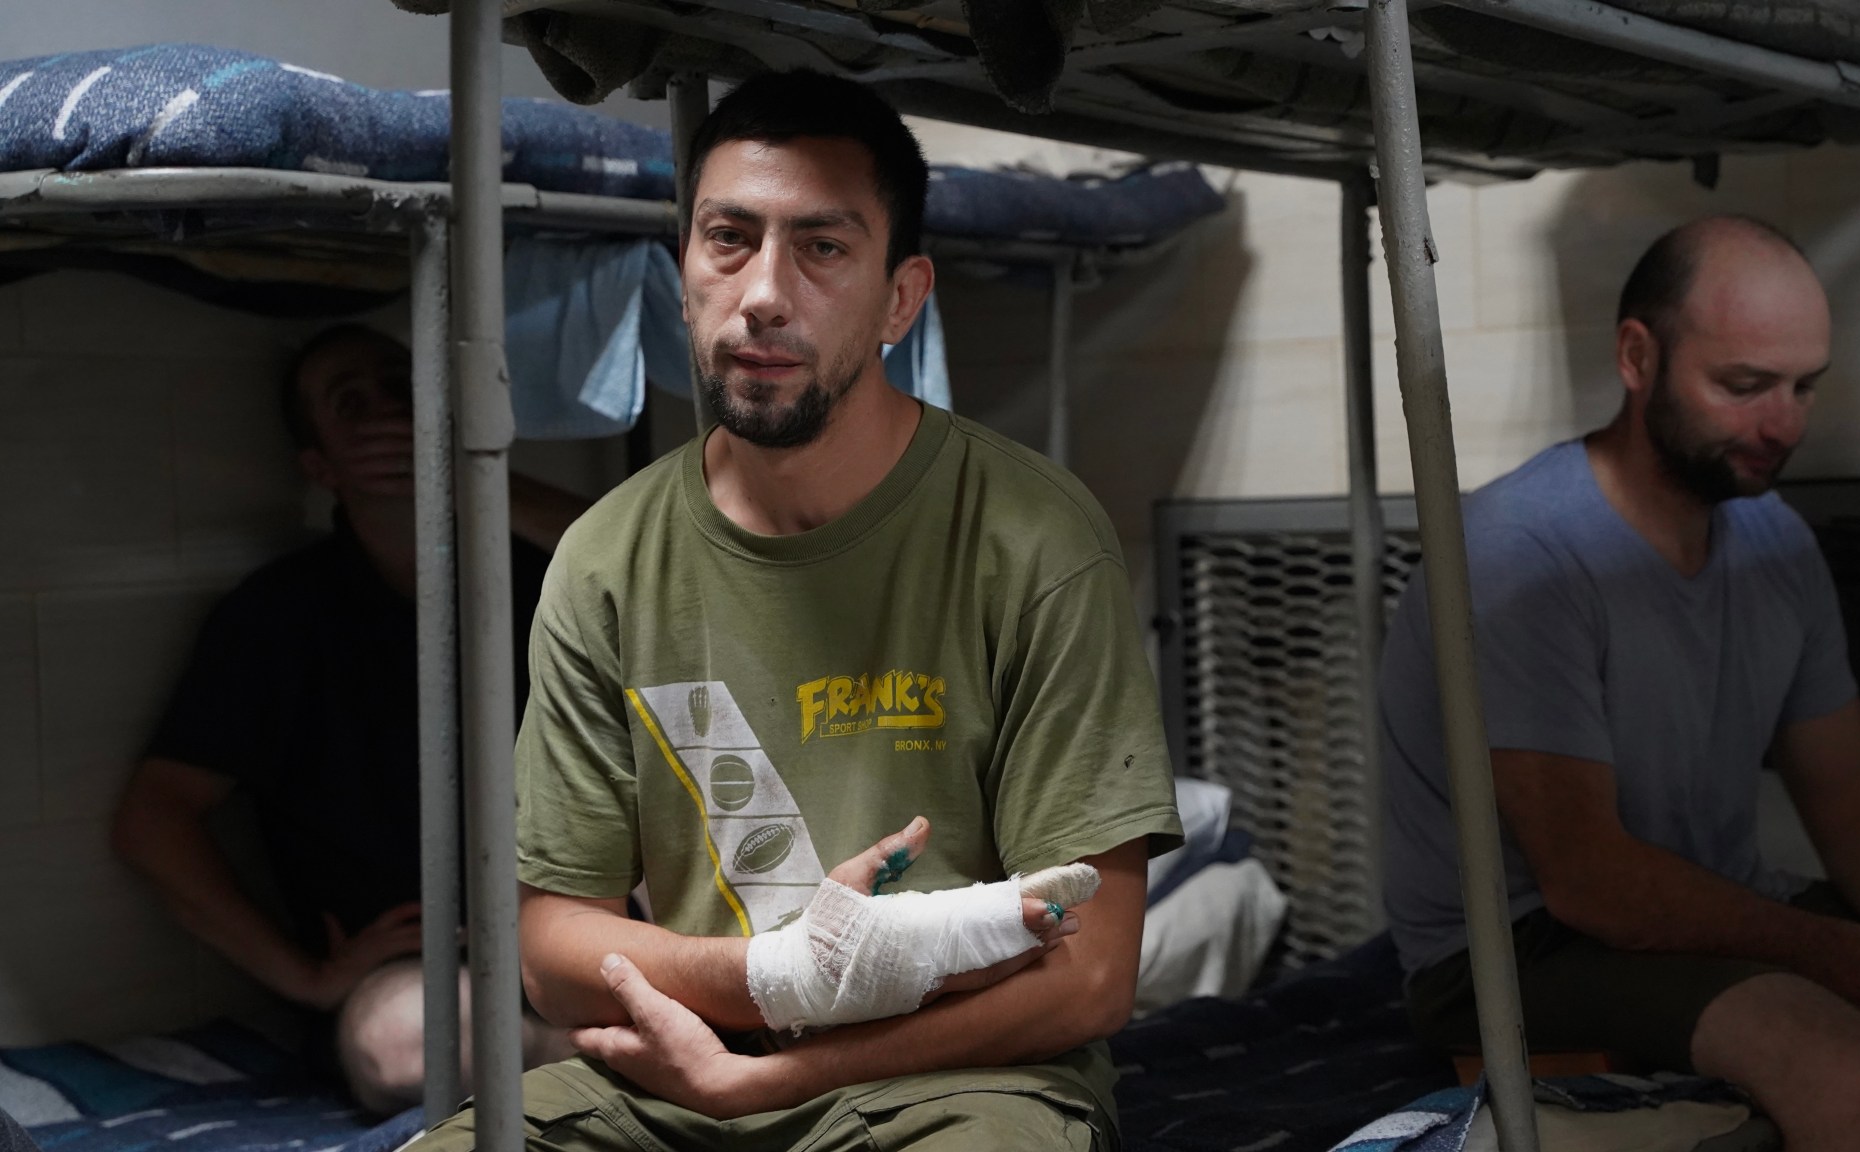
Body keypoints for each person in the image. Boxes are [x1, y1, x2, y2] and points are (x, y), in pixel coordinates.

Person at [404, 69, 1181, 1152]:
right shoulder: (605, 562)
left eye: (821, 248)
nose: (763, 291)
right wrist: (773, 981)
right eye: (728, 237)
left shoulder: (1030, 536)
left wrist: (777, 1077)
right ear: (684, 272)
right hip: (673, 1086)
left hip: (958, 1083)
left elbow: (1091, 978)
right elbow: (547, 948)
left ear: (900, 297)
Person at [1381, 215, 1860, 1152]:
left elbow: (1856, 802)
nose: (1783, 423)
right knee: (1851, 1074)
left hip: (1706, 900)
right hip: (1517, 947)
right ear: (1639, 357)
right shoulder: (1519, 555)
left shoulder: (1776, 542)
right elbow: (1594, 883)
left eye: (1803, 389)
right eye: (1744, 386)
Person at [111, 324, 588, 1114]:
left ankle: (612, 1065)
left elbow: (662, 561)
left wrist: (473, 476)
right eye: (352, 404)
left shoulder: (541, 571)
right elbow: (151, 821)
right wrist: (308, 976)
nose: (387, 416)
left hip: (578, 923)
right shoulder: (280, 618)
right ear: (319, 467)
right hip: (416, 962)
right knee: (406, 1044)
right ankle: (605, 1065)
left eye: (402, 392)